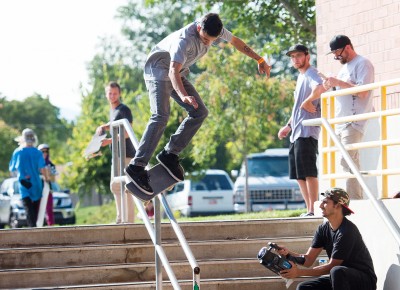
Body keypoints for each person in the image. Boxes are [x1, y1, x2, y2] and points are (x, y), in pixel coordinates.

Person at [124, 13, 271, 195]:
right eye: (205, 39)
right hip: (159, 70)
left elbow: (235, 41)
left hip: (179, 73)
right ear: (199, 28)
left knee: (200, 112)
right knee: (161, 116)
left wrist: (260, 59)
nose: (208, 43)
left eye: (212, 40)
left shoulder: (215, 29)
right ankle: (136, 166)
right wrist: (183, 96)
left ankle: (170, 153)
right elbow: (172, 71)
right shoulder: (184, 40)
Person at [277, 187, 377, 290]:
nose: (320, 206)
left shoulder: (347, 231)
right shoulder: (323, 229)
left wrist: (298, 273)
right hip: (340, 279)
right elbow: (308, 260)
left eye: (325, 202)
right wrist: (288, 254)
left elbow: (331, 267)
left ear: (337, 205)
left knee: (336, 271)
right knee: (304, 287)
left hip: (364, 282)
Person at [322, 35, 375, 199]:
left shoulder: (363, 63)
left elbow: (363, 92)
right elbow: (343, 91)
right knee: (351, 162)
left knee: (347, 162)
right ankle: (356, 199)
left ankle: (353, 200)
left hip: (354, 120)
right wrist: (330, 85)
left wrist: (339, 82)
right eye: (333, 54)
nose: (336, 56)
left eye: (337, 52)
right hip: (341, 121)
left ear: (348, 47)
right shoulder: (344, 68)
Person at [278, 44, 325, 217]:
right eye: (293, 57)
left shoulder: (312, 73)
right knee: (299, 175)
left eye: (299, 56)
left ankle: (313, 209)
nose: (296, 59)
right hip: (296, 132)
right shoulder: (301, 76)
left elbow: (321, 88)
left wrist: (309, 101)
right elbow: (298, 107)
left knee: (308, 172)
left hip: (307, 131)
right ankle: (309, 209)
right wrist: (288, 126)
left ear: (307, 56)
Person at [96, 81, 136, 224]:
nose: (112, 96)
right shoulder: (113, 111)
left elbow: (127, 132)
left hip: (126, 154)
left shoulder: (123, 109)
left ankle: (127, 220)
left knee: (124, 187)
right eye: (109, 93)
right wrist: (104, 126)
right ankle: (121, 218)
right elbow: (113, 124)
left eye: (115, 93)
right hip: (117, 154)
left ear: (119, 94)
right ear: (106, 94)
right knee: (116, 186)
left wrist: (109, 140)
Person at [9, 128, 47, 227]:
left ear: (22, 138)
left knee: (28, 210)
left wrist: (20, 174)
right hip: (36, 184)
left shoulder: (18, 152)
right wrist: (47, 180)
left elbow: (12, 169)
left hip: (24, 185)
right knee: (34, 210)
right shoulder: (38, 153)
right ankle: (35, 230)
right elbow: (42, 169)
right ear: (34, 138)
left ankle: (32, 229)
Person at [38, 143, 57, 226]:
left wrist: (48, 174)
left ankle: (51, 227)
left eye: (46, 151)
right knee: (38, 210)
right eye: (42, 151)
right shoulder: (35, 164)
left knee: (49, 209)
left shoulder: (51, 164)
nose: (45, 153)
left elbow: (53, 179)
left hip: (48, 189)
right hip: (38, 190)